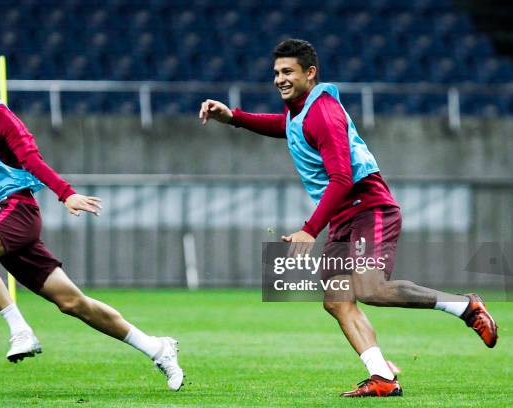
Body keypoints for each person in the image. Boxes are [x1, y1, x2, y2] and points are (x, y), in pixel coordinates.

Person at [199, 38, 498, 397]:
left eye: (288, 71)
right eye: (276, 72)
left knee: (371, 289)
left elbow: (342, 177)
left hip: (368, 207)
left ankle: (466, 306)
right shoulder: (301, 110)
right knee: (337, 300)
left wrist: (310, 230)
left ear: (310, 73)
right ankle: (383, 379)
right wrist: (234, 117)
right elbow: (285, 127)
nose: (279, 78)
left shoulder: (323, 113)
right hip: (345, 215)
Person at [0, 37, 183, 391]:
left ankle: (20, 331)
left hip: (15, 209)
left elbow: (32, 160)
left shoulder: (2, 116)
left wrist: (65, 194)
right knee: (72, 302)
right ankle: (158, 348)